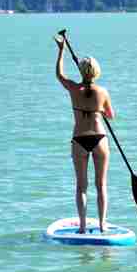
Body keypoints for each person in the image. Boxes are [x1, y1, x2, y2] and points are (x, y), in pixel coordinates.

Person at [55, 36, 115, 233]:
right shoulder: (103, 91)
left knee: (81, 186)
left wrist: (61, 50)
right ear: (96, 72)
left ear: (81, 71)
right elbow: (111, 116)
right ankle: (102, 225)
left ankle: (81, 227)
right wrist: (100, 110)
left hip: (79, 139)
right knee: (101, 184)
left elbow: (59, 75)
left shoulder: (73, 88)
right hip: (99, 138)